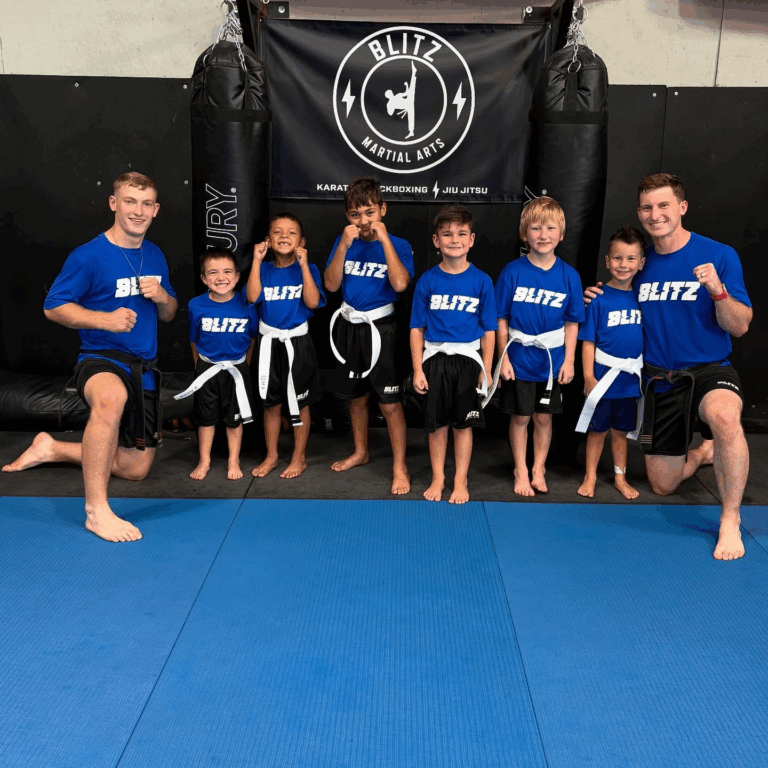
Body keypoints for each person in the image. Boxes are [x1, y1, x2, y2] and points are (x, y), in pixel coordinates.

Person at [2, 172, 177, 543]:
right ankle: (97, 511)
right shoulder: (89, 255)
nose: (138, 210)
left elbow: (170, 313)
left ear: (156, 210)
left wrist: (163, 298)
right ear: (113, 203)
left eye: (146, 203)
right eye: (130, 201)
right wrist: (104, 320)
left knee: (135, 467)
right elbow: (53, 307)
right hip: (100, 358)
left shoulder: (156, 254)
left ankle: (51, 447)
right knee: (111, 398)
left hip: (142, 369)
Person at [586, 173, 752, 560]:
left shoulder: (720, 255)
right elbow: (614, 295)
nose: (655, 214)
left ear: (682, 207)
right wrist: (597, 295)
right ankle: (699, 454)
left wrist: (718, 291)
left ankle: (730, 518)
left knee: (725, 417)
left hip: (710, 368)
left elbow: (740, 325)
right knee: (663, 485)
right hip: (661, 377)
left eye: (663, 205)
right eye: (647, 207)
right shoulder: (638, 263)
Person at [324, 175, 413, 495]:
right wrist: (345, 245)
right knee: (357, 398)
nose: (363, 221)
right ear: (348, 216)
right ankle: (361, 452)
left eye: (369, 212)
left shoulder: (399, 244)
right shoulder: (343, 241)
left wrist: (385, 240)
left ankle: (399, 466)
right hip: (350, 327)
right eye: (355, 214)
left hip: (382, 330)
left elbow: (401, 285)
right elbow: (331, 286)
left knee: (389, 402)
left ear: (383, 210)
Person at [494, 196, 585, 497]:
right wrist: (501, 358)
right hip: (519, 355)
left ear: (561, 233)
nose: (543, 235)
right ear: (524, 234)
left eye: (549, 228)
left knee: (544, 417)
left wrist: (570, 360)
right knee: (520, 416)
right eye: (535, 228)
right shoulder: (512, 272)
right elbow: (501, 317)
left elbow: (572, 322)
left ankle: (538, 468)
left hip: (551, 359)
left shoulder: (568, 276)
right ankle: (520, 468)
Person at [410, 205, 496, 504]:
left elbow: (488, 330)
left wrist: (486, 370)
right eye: (447, 234)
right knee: (437, 424)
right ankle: (438, 477)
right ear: (436, 240)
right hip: (434, 360)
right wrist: (418, 369)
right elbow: (416, 329)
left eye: (461, 234)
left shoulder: (482, 281)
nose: (454, 240)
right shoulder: (427, 280)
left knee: (463, 424)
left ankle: (460, 480)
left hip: (468, 362)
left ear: (471, 239)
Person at [249, 213, 326, 479]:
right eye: (278, 232)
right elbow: (251, 297)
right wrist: (257, 261)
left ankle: (299, 456)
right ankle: (271, 455)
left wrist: (304, 266)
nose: (284, 236)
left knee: (300, 401)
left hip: (298, 342)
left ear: (301, 241)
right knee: (271, 404)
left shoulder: (309, 269)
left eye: (291, 232)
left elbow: (314, 302)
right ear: (268, 240)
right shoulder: (263, 269)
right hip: (269, 342)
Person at [576, 226, 645, 500]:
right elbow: (588, 341)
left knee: (620, 433)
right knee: (596, 432)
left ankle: (620, 476)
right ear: (607, 261)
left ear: (641, 262)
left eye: (630, 259)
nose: (623, 265)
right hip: (603, 379)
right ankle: (590, 476)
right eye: (617, 258)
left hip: (630, 381)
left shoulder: (643, 298)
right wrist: (589, 377)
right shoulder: (598, 299)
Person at [178, 248, 257, 482]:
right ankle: (204, 459)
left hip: (236, 369)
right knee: (205, 418)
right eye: (213, 272)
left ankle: (234, 459)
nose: (220, 277)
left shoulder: (247, 304)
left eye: (227, 271)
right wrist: (199, 366)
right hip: (207, 368)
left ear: (237, 276)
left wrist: (243, 366)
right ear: (203, 279)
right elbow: (193, 339)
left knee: (235, 419)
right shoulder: (196, 305)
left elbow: (252, 338)